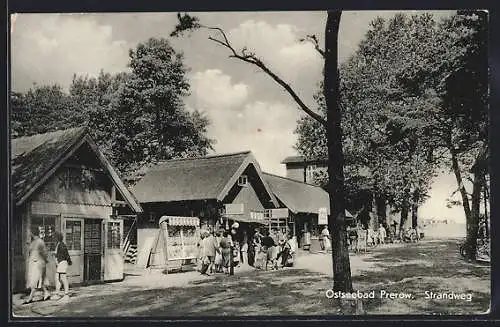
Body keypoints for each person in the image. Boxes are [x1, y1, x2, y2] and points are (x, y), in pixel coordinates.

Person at [24, 229, 50, 304]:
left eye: (30, 234)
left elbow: (44, 253)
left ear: (33, 233)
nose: (29, 235)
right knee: (39, 281)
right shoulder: (33, 242)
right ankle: (46, 293)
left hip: (38, 263)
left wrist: (45, 260)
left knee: (35, 281)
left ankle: (30, 298)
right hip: (34, 263)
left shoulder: (40, 242)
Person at [52, 231, 72, 301]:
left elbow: (66, 255)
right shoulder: (58, 244)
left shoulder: (62, 245)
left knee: (63, 278)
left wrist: (69, 261)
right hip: (60, 263)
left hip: (62, 263)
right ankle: (57, 293)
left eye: (54, 237)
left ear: (57, 238)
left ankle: (66, 294)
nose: (53, 239)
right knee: (57, 278)